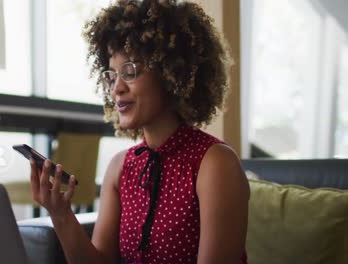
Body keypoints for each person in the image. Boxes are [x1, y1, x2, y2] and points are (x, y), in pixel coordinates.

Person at [29, 0, 249, 263]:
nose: (116, 88)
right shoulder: (120, 167)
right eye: (111, 77)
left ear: (171, 73)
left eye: (130, 71)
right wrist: (60, 213)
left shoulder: (215, 163)